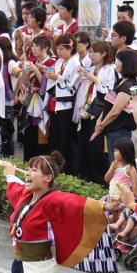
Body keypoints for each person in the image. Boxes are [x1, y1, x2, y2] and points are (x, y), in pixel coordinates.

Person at [75, 40, 116, 184]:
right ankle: (85, 178)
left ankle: (101, 179)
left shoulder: (110, 69)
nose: (91, 55)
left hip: (99, 112)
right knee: (83, 146)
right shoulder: (90, 68)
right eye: (90, 52)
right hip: (85, 109)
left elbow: (110, 93)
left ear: (104, 54)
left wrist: (96, 81)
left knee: (95, 148)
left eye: (94, 52)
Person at [92, 48, 137, 161]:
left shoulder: (129, 84)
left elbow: (116, 110)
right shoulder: (120, 81)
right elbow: (109, 104)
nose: (116, 63)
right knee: (113, 163)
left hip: (120, 130)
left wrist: (101, 125)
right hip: (112, 129)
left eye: (118, 61)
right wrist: (100, 120)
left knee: (118, 164)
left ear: (127, 63)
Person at [48, 34, 81, 174]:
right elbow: (52, 73)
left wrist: (58, 78)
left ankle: (68, 170)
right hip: (56, 103)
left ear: (70, 47)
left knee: (65, 140)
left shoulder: (75, 63)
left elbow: (73, 85)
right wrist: (46, 71)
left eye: (62, 49)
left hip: (67, 105)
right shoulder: (59, 62)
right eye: (57, 49)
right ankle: (55, 167)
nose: (59, 52)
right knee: (55, 137)